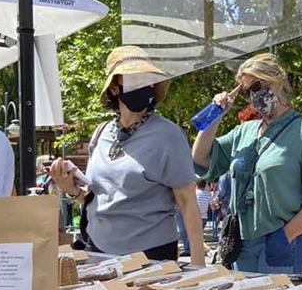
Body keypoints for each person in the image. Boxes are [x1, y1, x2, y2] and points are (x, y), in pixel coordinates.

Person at [48, 46, 205, 264]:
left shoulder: (168, 135)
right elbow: (101, 197)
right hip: (98, 251)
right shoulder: (101, 133)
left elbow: (188, 203)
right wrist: (71, 189)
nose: (143, 86)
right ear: (114, 88)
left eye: (148, 80)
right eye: (134, 80)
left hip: (150, 257)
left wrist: (199, 266)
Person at [193, 53, 302, 274]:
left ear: (277, 80)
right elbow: (200, 158)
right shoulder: (244, 132)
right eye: (248, 91)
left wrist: (285, 237)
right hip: (241, 244)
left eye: (257, 85)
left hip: (281, 242)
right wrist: (215, 114)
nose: (254, 95)